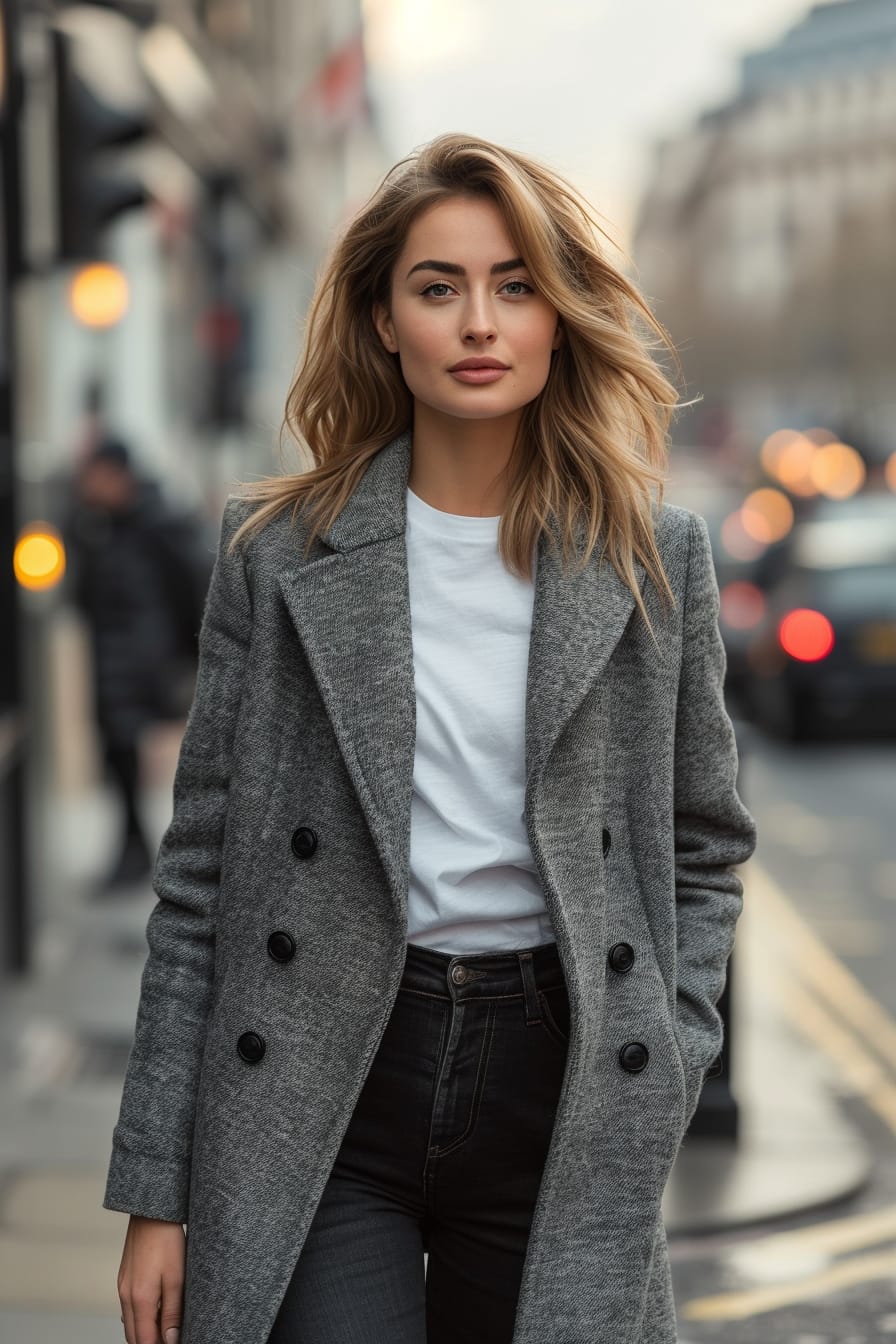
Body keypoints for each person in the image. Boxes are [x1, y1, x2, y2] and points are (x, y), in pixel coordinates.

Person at [104, 133, 757, 1344]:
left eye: (514, 286)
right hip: (322, 1075)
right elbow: (199, 879)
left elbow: (704, 845)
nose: (478, 322)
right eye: (437, 286)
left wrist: (667, 1045)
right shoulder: (280, 555)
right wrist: (155, 1191)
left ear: (557, 320)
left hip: (556, 1091)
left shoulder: (650, 559)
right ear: (381, 322)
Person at [64, 437, 213, 892]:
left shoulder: (159, 520)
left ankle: (147, 853)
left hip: (145, 660)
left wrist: (192, 655)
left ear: (118, 474)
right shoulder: (97, 525)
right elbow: (81, 592)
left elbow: (192, 585)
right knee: (116, 754)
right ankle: (133, 848)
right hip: (111, 657)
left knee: (138, 753)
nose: (88, 485)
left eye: (95, 475)